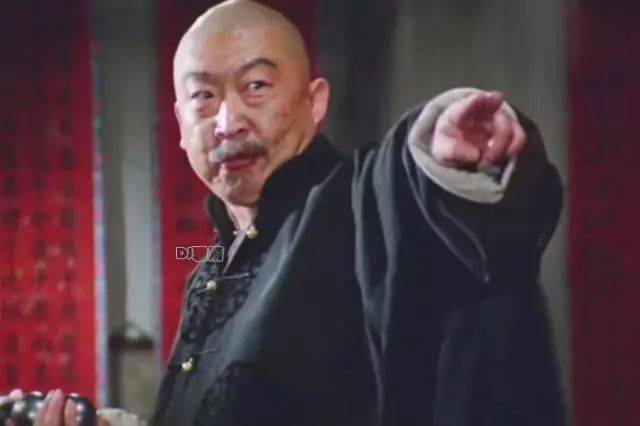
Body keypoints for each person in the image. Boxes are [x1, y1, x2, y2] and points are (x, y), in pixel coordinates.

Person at [13, 0, 565, 425]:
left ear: (314, 101)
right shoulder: (215, 260)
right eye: (203, 97)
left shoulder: (356, 205)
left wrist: (446, 151)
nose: (227, 122)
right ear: (180, 124)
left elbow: (412, 187)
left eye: (256, 87)